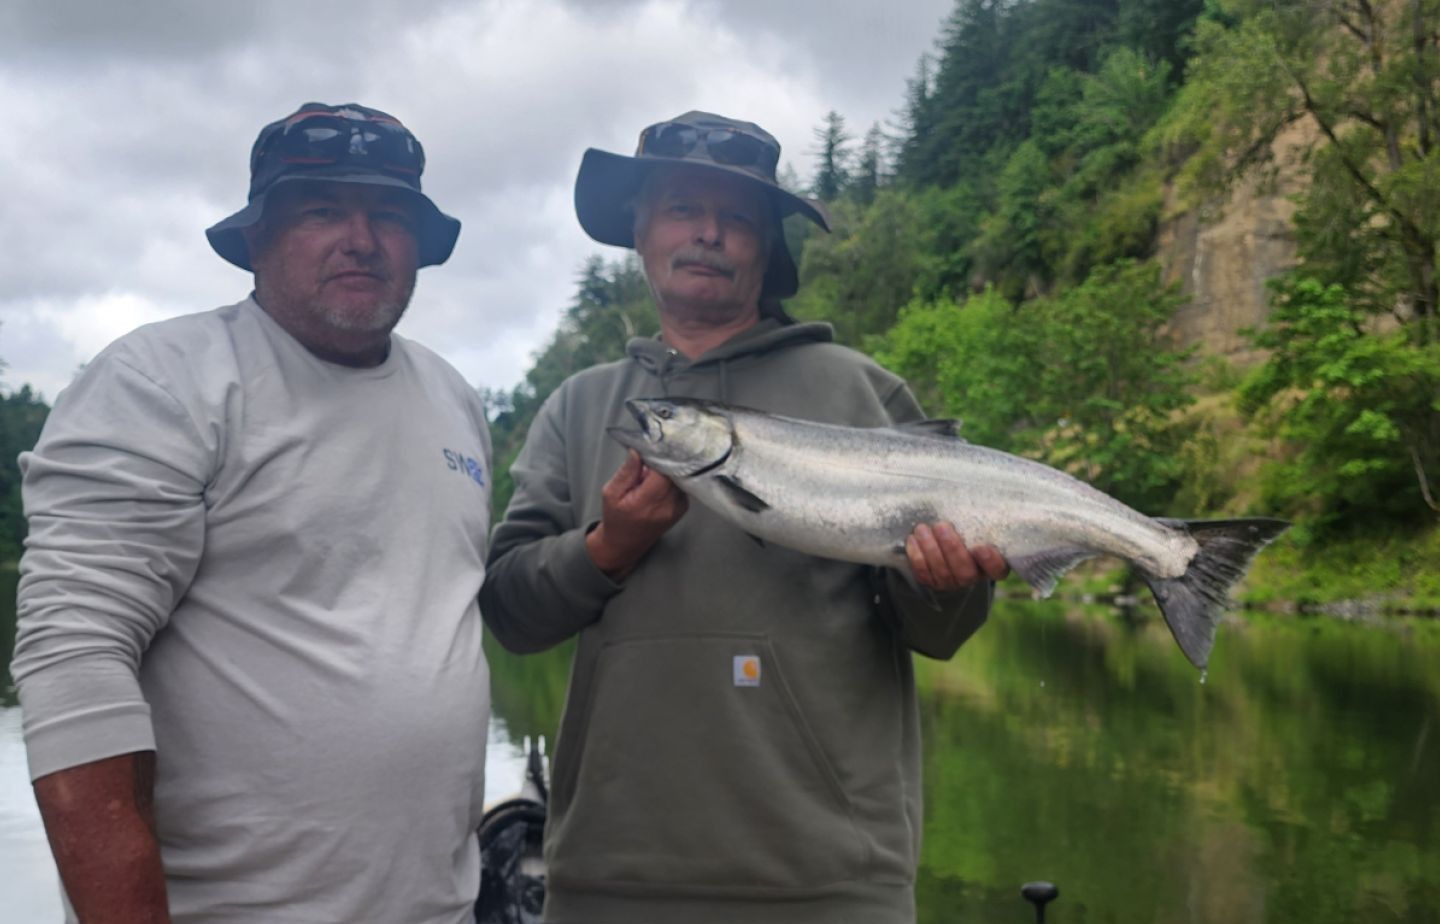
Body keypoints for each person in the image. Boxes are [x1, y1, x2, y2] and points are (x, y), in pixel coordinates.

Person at [479, 111, 1009, 924]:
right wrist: (608, 548)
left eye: (738, 219)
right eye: (684, 209)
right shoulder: (582, 406)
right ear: (641, 229)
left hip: (831, 882)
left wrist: (944, 585)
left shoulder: (864, 393)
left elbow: (938, 634)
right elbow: (511, 613)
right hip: (605, 878)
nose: (709, 235)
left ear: (769, 249)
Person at [13, 102, 493, 923]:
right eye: (320, 210)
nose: (361, 237)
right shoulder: (162, 380)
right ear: (258, 238)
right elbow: (74, 664)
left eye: (388, 214)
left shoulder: (453, 398)